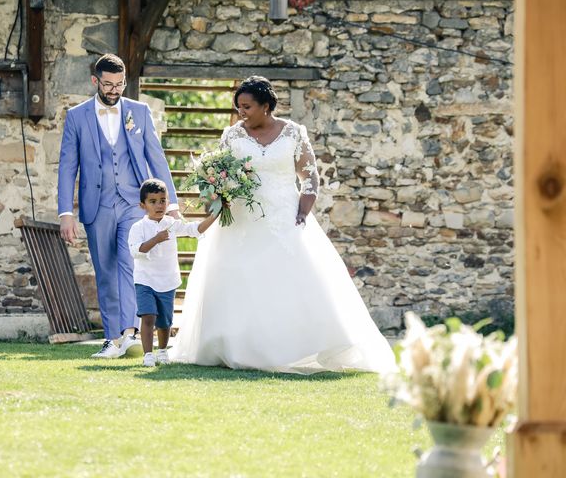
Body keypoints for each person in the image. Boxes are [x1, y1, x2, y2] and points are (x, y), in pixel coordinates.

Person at [170, 76, 396, 374]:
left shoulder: (293, 133)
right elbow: (218, 173)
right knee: (238, 279)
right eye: (238, 107)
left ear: (266, 106)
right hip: (241, 220)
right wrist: (217, 192)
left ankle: (297, 347)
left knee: (293, 279)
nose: (242, 112)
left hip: (284, 216)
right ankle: (237, 347)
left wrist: (303, 210)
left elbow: (310, 176)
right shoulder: (232, 136)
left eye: (247, 106)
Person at [58, 54, 179, 358]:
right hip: (96, 205)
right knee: (105, 269)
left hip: (132, 202)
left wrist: (172, 202)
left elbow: (156, 157)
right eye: (108, 84)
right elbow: (67, 166)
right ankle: (112, 338)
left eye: (120, 84)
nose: (114, 90)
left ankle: (129, 332)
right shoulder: (77, 116)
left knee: (129, 261)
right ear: (95, 81)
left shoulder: (139, 112)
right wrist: (65, 213)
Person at [128, 179, 218, 367]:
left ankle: (162, 351)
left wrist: (215, 215)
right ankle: (148, 354)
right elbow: (137, 250)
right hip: (145, 280)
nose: (159, 205)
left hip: (167, 280)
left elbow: (194, 229)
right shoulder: (138, 228)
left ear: (168, 203)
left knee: (165, 320)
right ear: (142, 205)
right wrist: (156, 239)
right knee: (148, 316)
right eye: (153, 202)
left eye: (162, 200)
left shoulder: (172, 223)